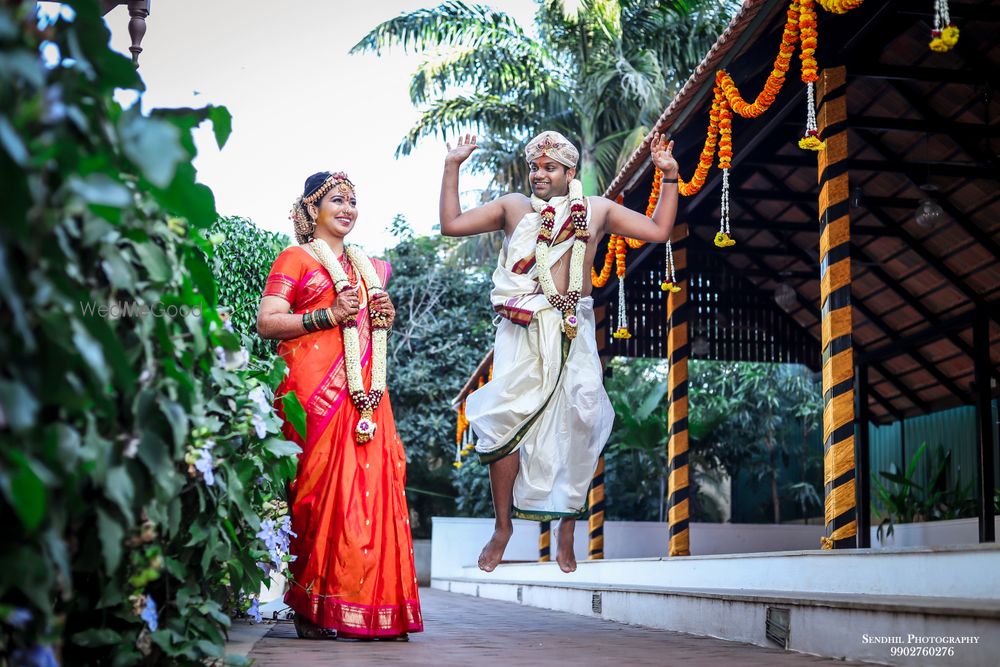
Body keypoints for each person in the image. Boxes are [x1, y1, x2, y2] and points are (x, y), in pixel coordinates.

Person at [439, 131, 679, 573]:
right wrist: (453, 164)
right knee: (502, 422)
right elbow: (452, 225)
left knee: (580, 418)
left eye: (549, 167)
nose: (539, 175)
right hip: (522, 328)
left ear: (570, 172)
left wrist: (669, 177)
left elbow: (659, 231)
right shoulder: (514, 207)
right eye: (535, 166)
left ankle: (567, 527)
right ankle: (503, 527)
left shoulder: (597, 210)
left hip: (573, 325)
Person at [257, 171, 423, 640]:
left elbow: (366, 330)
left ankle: (376, 607)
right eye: (337, 199)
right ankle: (313, 609)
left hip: (367, 398)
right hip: (315, 401)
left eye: (353, 200)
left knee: (375, 496)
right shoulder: (294, 258)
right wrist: (328, 314)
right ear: (312, 210)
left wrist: (380, 314)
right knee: (315, 501)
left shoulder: (372, 267)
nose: (348, 208)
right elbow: (268, 322)